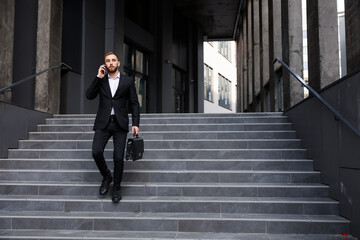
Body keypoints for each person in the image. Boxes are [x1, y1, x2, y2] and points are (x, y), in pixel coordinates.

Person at [86, 52, 140, 203]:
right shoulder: (101, 80)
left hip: (120, 124)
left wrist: (135, 123)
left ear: (118, 63)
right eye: (108, 61)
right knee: (96, 151)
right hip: (103, 122)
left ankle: (116, 187)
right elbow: (89, 96)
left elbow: (134, 103)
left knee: (118, 158)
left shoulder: (127, 81)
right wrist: (97, 77)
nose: (110, 63)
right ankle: (106, 176)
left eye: (113, 60)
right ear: (105, 64)